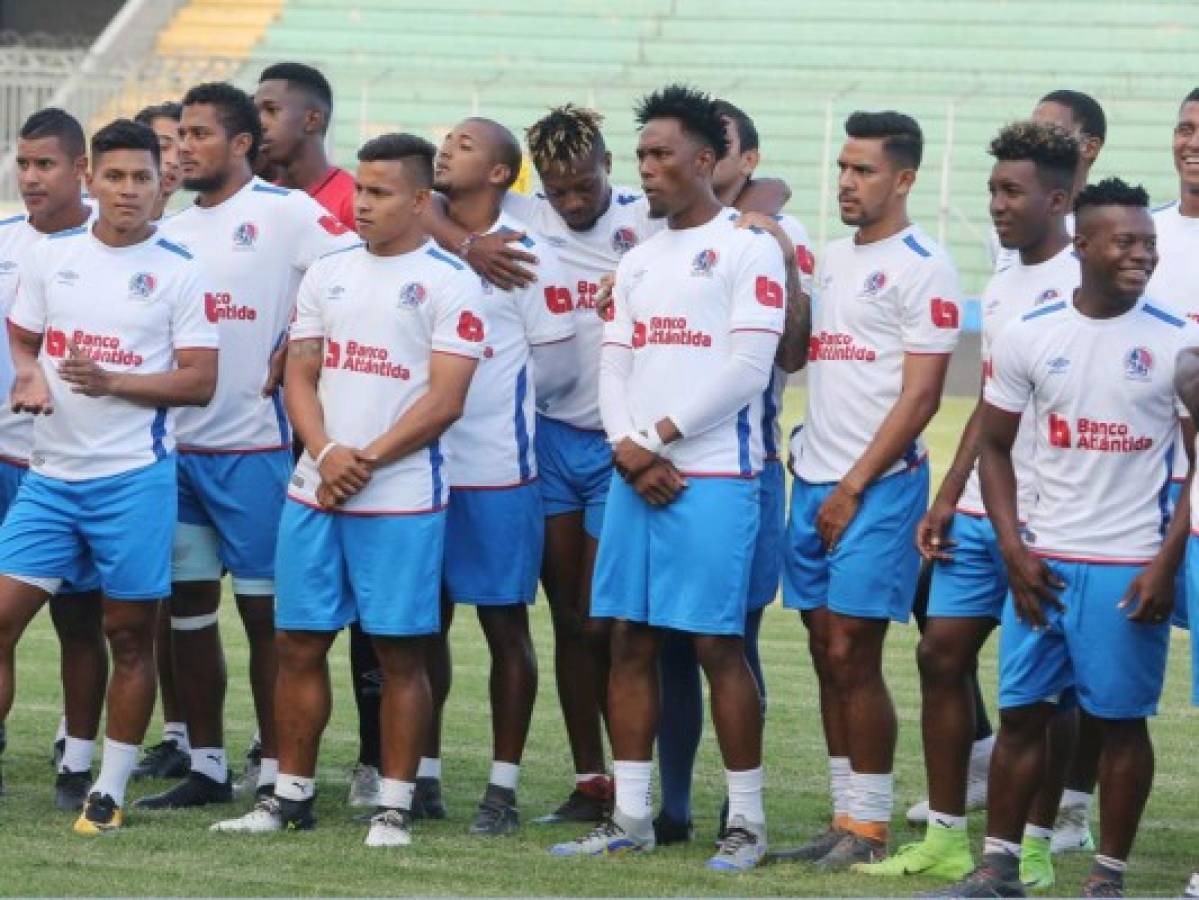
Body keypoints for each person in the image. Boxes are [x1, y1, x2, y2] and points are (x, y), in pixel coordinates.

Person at [209, 133, 485, 844]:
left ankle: (394, 802)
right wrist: (326, 452)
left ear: (420, 201)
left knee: (398, 653)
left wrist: (363, 460)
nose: (362, 203)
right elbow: (300, 371)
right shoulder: (327, 272)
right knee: (298, 641)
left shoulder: (451, 281)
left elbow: (446, 399)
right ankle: (288, 795)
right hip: (315, 488)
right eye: (359, 189)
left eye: (381, 192)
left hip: (398, 499)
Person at [932, 178, 1193, 900]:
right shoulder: (1029, 333)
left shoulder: (1178, 341)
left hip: (1124, 568)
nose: (1141, 254)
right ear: (1081, 245)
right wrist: (1013, 549)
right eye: (1125, 242)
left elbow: (1197, 465)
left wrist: (1163, 566)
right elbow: (993, 445)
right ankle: (997, 870)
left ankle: (1105, 879)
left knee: (1117, 725)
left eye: (1147, 242)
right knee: (1021, 716)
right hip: (1042, 562)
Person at [549, 84, 785, 873]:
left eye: (660, 154)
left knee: (718, 645)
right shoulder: (640, 258)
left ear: (706, 160)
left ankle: (746, 823)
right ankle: (630, 817)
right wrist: (627, 445)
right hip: (635, 471)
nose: (646, 169)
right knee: (627, 641)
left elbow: (747, 369)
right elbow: (613, 361)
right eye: (642, 155)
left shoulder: (749, 247)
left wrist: (652, 441)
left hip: (714, 475)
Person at [857, 121, 1080, 884]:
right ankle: (947, 836)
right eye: (991, 190)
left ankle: (1039, 846)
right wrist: (949, 495)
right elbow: (992, 408)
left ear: (1058, 197)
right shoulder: (1006, 279)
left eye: (1011, 191)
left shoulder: (1085, 284)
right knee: (939, 652)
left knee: (1044, 690)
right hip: (985, 510)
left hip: (1050, 521)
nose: (996, 205)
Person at [135, 82, 356, 812]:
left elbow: (355, 271)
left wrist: (301, 337)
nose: (183, 149)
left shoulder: (287, 213)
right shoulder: (172, 230)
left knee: (269, 620)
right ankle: (205, 764)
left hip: (255, 452)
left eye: (198, 134)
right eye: (179, 136)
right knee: (190, 611)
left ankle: (276, 765)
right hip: (179, 453)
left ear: (239, 145)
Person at [0, 118, 218, 835]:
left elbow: (198, 383)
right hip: (50, 479)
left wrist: (114, 382)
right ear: (91, 178)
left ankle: (109, 787)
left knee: (128, 635)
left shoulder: (181, 269)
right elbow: (24, 336)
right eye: (116, 176)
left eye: (143, 178)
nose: (128, 190)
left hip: (132, 480)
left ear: (162, 186)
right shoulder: (50, 257)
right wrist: (29, 374)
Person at [776, 110, 961, 868]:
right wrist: (787, 277)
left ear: (904, 178)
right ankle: (842, 816)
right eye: (843, 170)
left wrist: (852, 486)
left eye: (864, 171)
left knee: (855, 647)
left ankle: (872, 826)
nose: (847, 183)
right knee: (824, 649)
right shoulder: (829, 258)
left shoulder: (924, 264)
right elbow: (797, 355)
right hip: (812, 475)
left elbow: (920, 397)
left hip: (875, 489)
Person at [652, 97, 813, 845]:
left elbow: (786, 353)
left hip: (742, 461)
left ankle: (737, 806)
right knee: (662, 644)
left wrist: (775, 237)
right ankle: (673, 802)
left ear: (738, 160)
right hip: (657, 461)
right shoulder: (660, 231)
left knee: (730, 641)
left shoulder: (775, 238)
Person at [421, 116, 576, 833]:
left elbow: (556, 364)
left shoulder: (528, 253)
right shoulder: (411, 239)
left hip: (495, 469)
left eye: (463, 144)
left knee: (503, 627)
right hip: (415, 467)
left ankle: (501, 789)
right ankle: (420, 776)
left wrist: (501, 397)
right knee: (421, 627)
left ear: (497, 173)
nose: (445, 149)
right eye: (445, 139)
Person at [254, 60, 381, 807]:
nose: (258, 120)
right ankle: (275, 750)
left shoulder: (352, 201)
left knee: (369, 614)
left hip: (342, 444)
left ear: (309, 119)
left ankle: (375, 758)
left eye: (269, 108)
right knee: (288, 611)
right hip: (270, 439)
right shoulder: (257, 204)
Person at [0, 108, 107, 812]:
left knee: (81, 621)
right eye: (24, 162)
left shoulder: (116, 246)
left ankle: (77, 756)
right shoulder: (4, 240)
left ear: (80, 171)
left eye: (46, 164)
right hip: (4, 456)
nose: (32, 177)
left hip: (79, 467)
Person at [129, 99, 192, 783]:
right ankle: (172, 734)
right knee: (151, 600)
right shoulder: (125, 238)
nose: (170, 157)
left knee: (200, 605)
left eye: (178, 143)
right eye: (158, 146)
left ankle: (250, 743)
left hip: (229, 445)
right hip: (142, 451)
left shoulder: (192, 236)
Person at [134, 102, 183, 223]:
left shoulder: (182, 235)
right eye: (163, 147)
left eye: (183, 153)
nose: (173, 161)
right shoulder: (86, 223)